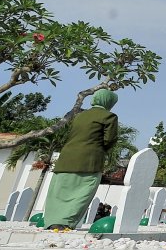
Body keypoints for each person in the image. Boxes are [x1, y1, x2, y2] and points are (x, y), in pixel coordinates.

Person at [44, 89, 119, 230]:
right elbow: (109, 140)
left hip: (66, 157)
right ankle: (65, 222)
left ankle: (52, 221)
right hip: (90, 159)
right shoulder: (109, 117)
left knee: (59, 191)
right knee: (83, 191)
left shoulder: (79, 115)